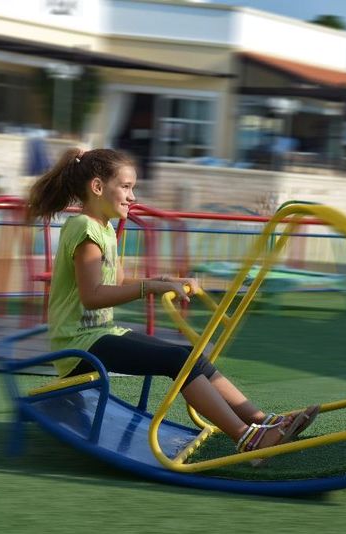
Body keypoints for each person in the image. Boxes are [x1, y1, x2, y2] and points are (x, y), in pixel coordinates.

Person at [26, 148, 318, 461]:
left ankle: (262, 421)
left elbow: (118, 280)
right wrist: (150, 287)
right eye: (125, 187)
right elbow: (92, 296)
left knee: (190, 355)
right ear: (97, 187)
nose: (132, 196)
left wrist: (164, 279)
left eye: (133, 188)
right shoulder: (84, 229)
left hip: (98, 334)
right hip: (78, 345)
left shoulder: (105, 229)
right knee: (175, 361)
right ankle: (248, 439)